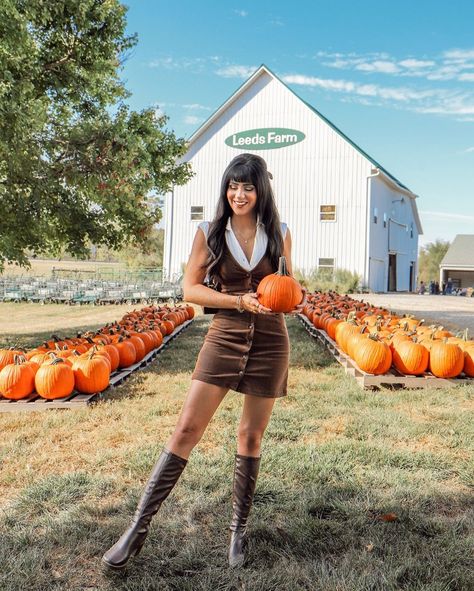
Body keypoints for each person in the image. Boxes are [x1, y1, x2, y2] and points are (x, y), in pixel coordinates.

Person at [102, 153, 305, 571]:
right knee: (186, 429)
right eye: (233, 186)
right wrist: (236, 301)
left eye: (248, 187)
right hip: (225, 335)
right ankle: (136, 529)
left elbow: (288, 285)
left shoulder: (280, 233)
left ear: (261, 189)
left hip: (270, 342)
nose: (239, 194)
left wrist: (295, 295)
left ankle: (237, 532)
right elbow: (190, 290)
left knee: (250, 437)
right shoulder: (210, 232)